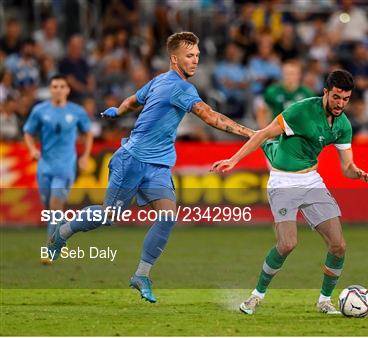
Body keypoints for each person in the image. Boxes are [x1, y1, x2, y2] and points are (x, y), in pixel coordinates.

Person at [47, 32, 254, 302]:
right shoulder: (181, 88)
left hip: (158, 165)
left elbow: (133, 100)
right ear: (174, 58)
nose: (195, 61)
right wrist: (251, 133)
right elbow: (210, 116)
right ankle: (61, 233)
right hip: (132, 160)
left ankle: (141, 275)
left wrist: (118, 111)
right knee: (109, 217)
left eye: (197, 56)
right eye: (189, 56)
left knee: (168, 215)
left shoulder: (159, 81)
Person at [212, 70, 368, 314]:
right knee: (287, 244)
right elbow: (263, 133)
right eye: (336, 97)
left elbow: (347, 168)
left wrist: (357, 172)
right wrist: (234, 160)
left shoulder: (343, 125)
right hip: (283, 181)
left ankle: (324, 301)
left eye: (346, 99)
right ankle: (256, 296)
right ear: (326, 92)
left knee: (339, 245)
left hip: (311, 180)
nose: (341, 104)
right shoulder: (300, 111)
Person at [23, 75, 93, 243]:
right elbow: (28, 132)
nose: (59, 90)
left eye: (62, 86)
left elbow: (88, 133)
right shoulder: (40, 111)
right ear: (50, 90)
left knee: (55, 204)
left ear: (68, 90)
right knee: (49, 205)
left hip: (66, 166)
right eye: (55, 86)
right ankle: (61, 229)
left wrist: (85, 155)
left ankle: (51, 244)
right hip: (45, 166)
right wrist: (32, 149)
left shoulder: (77, 111)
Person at [255, 60, 314, 129]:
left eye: (292, 73)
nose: (289, 77)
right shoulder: (272, 91)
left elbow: (312, 116)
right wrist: (264, 133)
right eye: (286, 73)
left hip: (299, 135)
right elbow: (261, 111)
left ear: (299, 75)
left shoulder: (307, 93)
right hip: (276, 134)